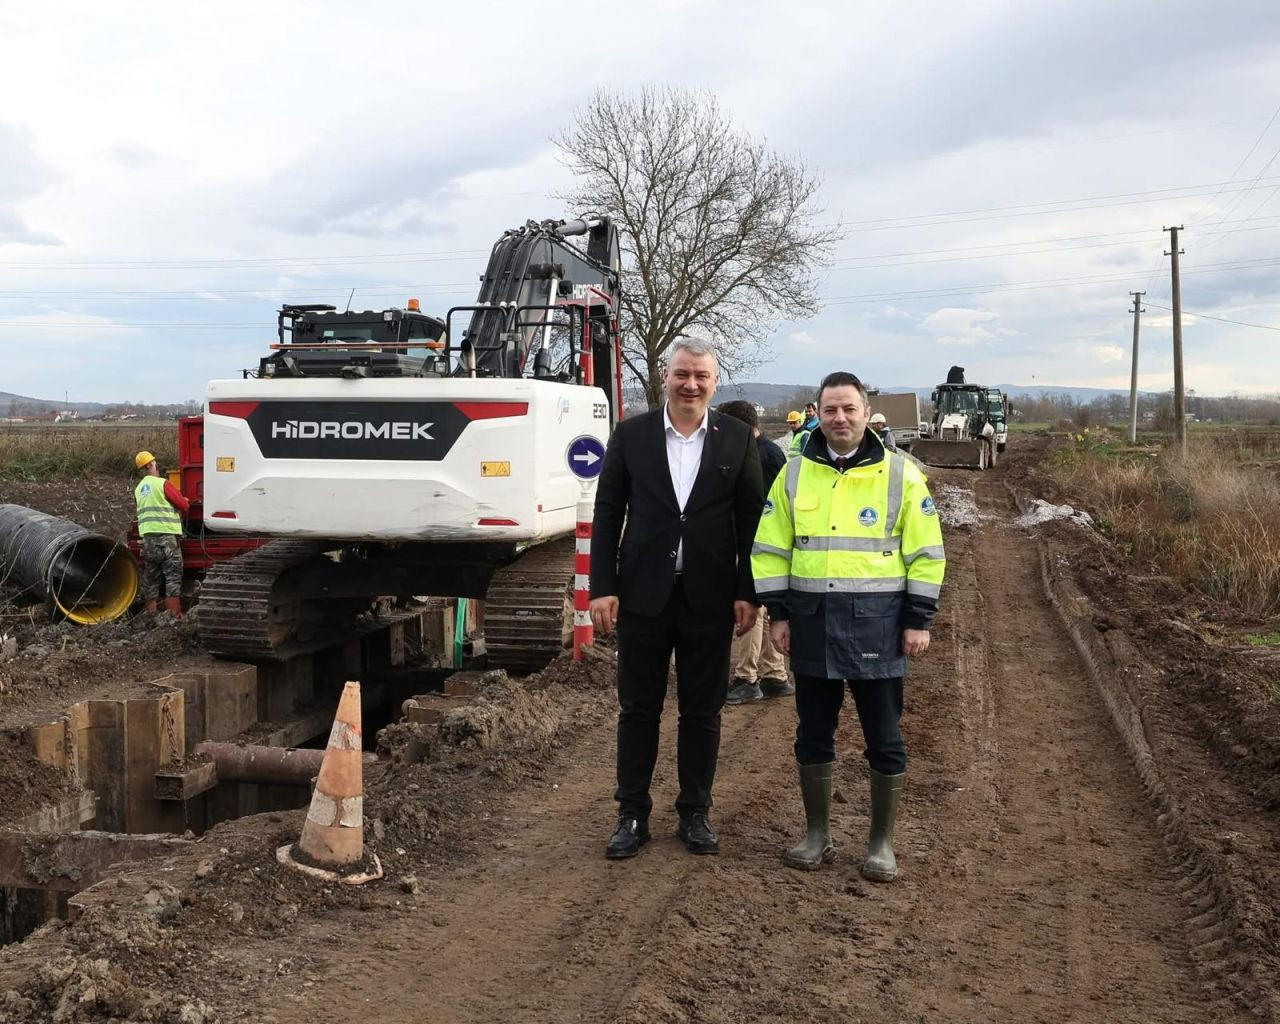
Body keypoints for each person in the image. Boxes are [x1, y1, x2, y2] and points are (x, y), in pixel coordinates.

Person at [752, 371, 944, 882]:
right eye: (830, 410)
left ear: (866, 413)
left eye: (849, 409)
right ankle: (817, 834)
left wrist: (917, 621)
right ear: (817, 413)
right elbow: (770, 548)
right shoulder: (792, 474)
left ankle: (881, 843)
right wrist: (779, 614)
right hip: (812, 627)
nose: (839, 419)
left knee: (884, 737)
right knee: (813, 735)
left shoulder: (902, 475)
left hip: (878, 629)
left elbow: (926, 554)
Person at [590, 339, 765, 860]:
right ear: (665, 377)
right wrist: (602, 586)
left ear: (715, 382)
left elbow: (751, 520)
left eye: (701, 377)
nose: (691, 384)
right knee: (638, 710)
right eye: (682, 374)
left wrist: (747, 591)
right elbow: (607, 513)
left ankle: (695, 812)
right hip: (642, 597)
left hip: (709, 599)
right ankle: (632, 814)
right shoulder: (632, 435)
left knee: (702, 712)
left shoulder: (736, 439)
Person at [715, 401, 794, 704]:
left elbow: (757, 507)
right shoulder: (769, 452)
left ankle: (747, 677)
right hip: (766, 543)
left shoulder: (759, 456)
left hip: (759, 544)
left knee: (750, 605)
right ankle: (775, 675)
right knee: (763, 607)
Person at [133, 450, 190, 618]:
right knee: (172, 578)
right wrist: (184, 500)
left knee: (151, 579)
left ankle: (151, 615)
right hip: (167, 540)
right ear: (150, 465)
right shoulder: (162, 484)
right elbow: (183, 506)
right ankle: (174, 616)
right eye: (155, 463)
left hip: (148, 541)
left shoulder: (138, 489)